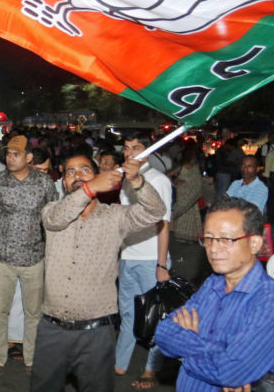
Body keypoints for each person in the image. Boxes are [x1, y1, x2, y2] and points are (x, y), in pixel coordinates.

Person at [30, 154, 166, 392]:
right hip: (52, 330)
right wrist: (90, 187)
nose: (77, 176)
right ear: (63, 182)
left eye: (85, 170)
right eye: (70, 172)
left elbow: (156, 212)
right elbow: (55, 220)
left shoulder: (116, 216)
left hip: (97, 332)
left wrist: (137, 182)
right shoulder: (52, 210)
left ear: (100, 177)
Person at [156, 197, 274, 390]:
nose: (213, 248)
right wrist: (218, 351)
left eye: (226, 239)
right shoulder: (214, 283)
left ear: (254, 243)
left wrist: (183, 351)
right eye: (209, 238)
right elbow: (163, 333)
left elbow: (230, 371)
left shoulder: (267, 301)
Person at [0, 135, 57, 381]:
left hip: (34, 258)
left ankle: (32, 359)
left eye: (16, 154)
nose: (10, 158)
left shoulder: (45, 183)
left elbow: (52, 215)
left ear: (29, 157)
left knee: (34, 312)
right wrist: (6, 231)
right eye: (8, 154)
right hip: (3, 258)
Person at [115, 132, 174, 389]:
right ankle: (119, 363)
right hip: (129, 256)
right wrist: (119, 256)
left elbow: (164, 224)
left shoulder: (157, 180)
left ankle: (151, 370)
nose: (130, 153)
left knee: (155, 318)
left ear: (147, 152)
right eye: (127, 148)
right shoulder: (126, 180)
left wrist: (161, 264)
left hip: (151, 259)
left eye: (136, 148)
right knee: (128, 314)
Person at [169, 147, 209, 284]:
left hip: (183, 197)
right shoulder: (195, 168)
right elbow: (198, 187)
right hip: (189, 200)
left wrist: (175, 183)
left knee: (179, 221)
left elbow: (167, 174)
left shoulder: (182, 166)